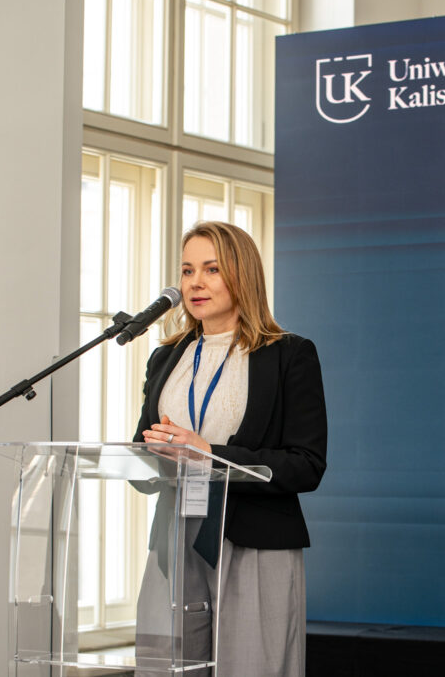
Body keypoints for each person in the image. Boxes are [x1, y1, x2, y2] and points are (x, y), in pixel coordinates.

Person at [132, 220, 327, 677]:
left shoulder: (289, 355)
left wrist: (210, 454)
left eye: (211, 269)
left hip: (255, 539)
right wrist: (151, 454)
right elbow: (143, 443)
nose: (195, 282)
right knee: (165, 668)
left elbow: (306, 465)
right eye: (187, 270)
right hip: (175, 534)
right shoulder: (166, 357)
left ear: (243, 275)